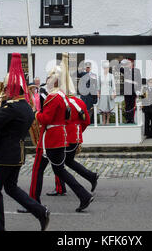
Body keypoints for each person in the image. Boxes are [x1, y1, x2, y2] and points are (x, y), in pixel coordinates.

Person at [0, 53, 50, 231]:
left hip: (4, 154)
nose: (4, 92)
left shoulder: (11, 108)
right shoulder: (26, 107)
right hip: (17, 153)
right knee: (11, 187)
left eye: (5, 89)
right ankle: (39, 211)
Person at [28, 58, 94, 212]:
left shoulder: (52, 97)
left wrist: (36, 113)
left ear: (55, 79)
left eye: (50, 77)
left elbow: (46, 118)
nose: (48, 80)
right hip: (60, 137)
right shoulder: (62, 97)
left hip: (50, 138)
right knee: (59, 170)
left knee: (37, 169)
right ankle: (83, 195)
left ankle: (33, 202)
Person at [47, 94, 99, 197]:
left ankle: (61, 188)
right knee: (68, 161)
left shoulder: (60, 101)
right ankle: (91, 176)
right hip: (75, 137)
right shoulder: (79, 101)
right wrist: (78, 133)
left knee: (58, 164)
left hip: (64, 137)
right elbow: (86, 121)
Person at [121, 59, 141, 124]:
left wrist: (138, 90)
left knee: (132, 105)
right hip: (126, 91)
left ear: (132, 64)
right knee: (127, 105)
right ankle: (127, 119)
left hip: (133, 90)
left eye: (129, 63)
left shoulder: (137, 71)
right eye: (127, 63)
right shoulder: (125, 70)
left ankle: (131, 119)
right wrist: (122, 62)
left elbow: (139, 81)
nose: (128, 64)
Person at [97, 61, 116, 125]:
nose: (106, 69)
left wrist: (114, 92)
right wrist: (98, 93)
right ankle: (103, 120)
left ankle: (108, 120)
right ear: (103, 68)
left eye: (107, 68)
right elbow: (98, 85)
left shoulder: (111, 75)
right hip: (102, 93)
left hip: (109, 92)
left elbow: (113, 85)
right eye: (105, 68)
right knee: (103, 107)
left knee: (108, 107)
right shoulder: (100, 76)